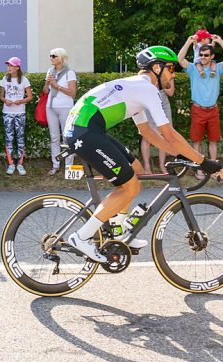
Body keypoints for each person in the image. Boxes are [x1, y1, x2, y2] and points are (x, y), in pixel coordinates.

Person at [63, 46, 221, 263]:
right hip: (84, 131)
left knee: (136, 169)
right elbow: (169, 134)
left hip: (87, 129)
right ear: (157, 68)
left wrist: (181, 154)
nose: (173, 74)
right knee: (131, 186)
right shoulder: (147, 89)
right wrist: (203, 162)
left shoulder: (137, 88)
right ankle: (81, 237)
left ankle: (118, 229)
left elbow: (147, 132)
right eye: (171, 69)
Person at [178, 34, 223, 179]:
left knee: (213, 141)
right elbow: (179, 59)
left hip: (213, 110)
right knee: (196, 141)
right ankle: (198, 170)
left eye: (206, 55)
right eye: (201, 54)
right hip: (198, 110)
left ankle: (214, 170)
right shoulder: (193, 69)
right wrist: (188, 41)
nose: (203, 57)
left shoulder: (218, 69)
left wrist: (220, 41)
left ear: (212, 56)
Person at [42, 48, 77, 175]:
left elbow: (72, 93)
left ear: (61, 58)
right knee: (54, 137)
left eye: (54, 56)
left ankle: (69, 166)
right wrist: (47, 83)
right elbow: (46, 91)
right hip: (50, 107)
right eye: (50, 55)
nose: (51, 58)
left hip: (65, 107)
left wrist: (57, 86)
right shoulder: (50, 71)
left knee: (67, 137)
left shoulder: (70, 73)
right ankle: (55, 165)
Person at [0, 56, 33, 175]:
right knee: (9, 138)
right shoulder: (4, 79)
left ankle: (20, 164)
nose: (9, 67)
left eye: (11, 65)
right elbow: (1, 96)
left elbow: (30, 97)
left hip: (20, 113)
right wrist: (5, 101)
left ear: (17, 67)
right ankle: (11, 164)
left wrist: (21, 101)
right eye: (8, 65)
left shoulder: (24, 80)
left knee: (20, 138)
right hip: (7, 113)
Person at [140, 76, 174, 174]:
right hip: (148, 102)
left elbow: (170, 92)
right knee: (147, 136)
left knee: (164, 135)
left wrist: (163, 80)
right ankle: (147, 167)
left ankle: (162, 165)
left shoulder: (169, 74)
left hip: (163, 104)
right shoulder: (145, 73)